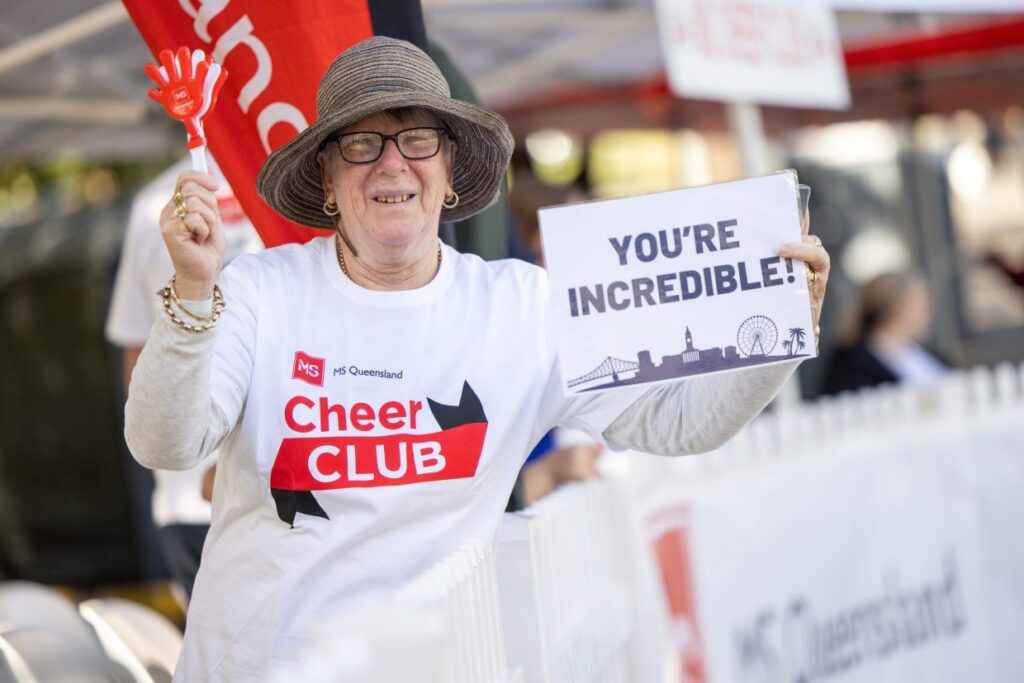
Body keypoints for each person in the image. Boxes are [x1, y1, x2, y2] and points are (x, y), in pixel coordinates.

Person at [123, 36, 830, 679]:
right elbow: (164, 442)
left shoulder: (524, 306)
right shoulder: (258, 290)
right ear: (328, 179)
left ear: (450, 168)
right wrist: (190, 293)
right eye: (362, 143)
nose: (393, 163)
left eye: (418, 140)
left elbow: (679, 424)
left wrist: (779, 335)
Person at [106, 157, 261, 604]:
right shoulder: (160, 202)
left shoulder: (158, 198)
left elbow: (134, 355)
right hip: (210, 499)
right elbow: (137, 355)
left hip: (206, 500)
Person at [819, 270, 945, 395]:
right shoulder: (851, 365)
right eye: (923, 308)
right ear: (899, 307)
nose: (929, 315)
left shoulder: (926, 353)